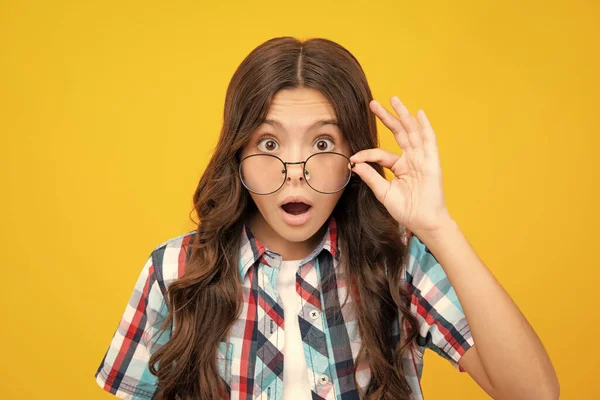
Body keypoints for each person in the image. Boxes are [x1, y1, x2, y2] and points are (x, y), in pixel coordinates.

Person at [94, 37, 559, 400]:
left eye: (321, 144)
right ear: (236, 154)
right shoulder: (175, 268)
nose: (295, 176)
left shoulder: (398, 261)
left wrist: (438, 226)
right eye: (269, 144)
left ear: (354, 156)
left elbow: (533, 393)